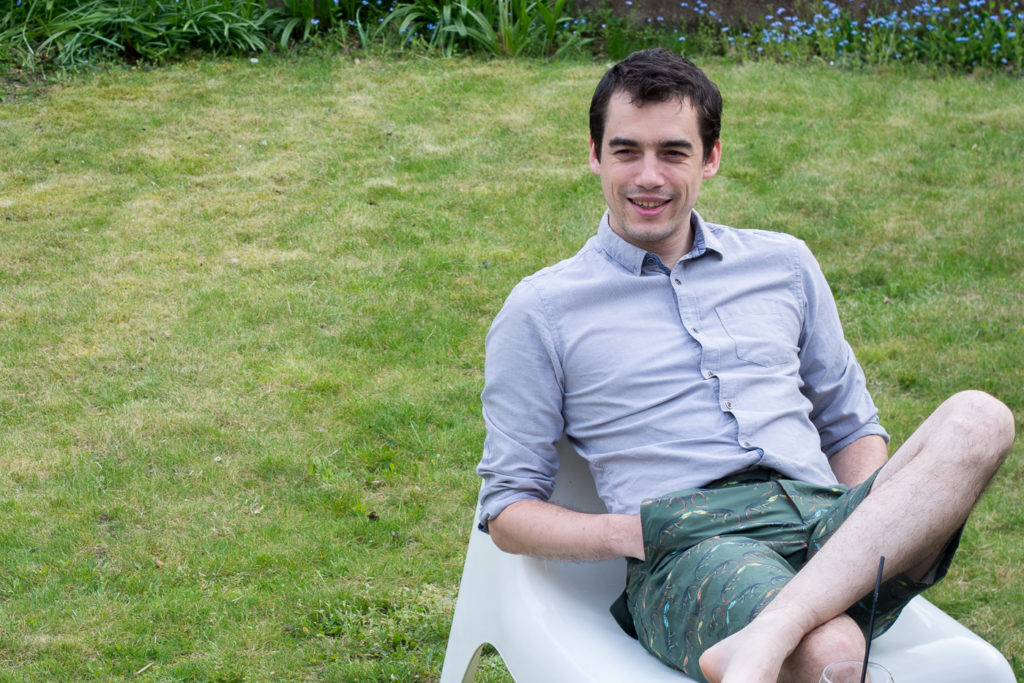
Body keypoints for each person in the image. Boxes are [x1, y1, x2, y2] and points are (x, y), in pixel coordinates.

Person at [475, 48, 1014, 683]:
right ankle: (795, 628)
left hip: (825, 519)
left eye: (673, 152)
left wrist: (861, 530)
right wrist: (635, 534)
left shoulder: (783, 264)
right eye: (626, 151)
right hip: (693, 546)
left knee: (981, 418)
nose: (648, 176)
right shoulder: (542, 310)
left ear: (711, 158)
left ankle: (774, 629)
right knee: (832, 651)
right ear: (595, 155)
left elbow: (849, 427)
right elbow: (507, 512)